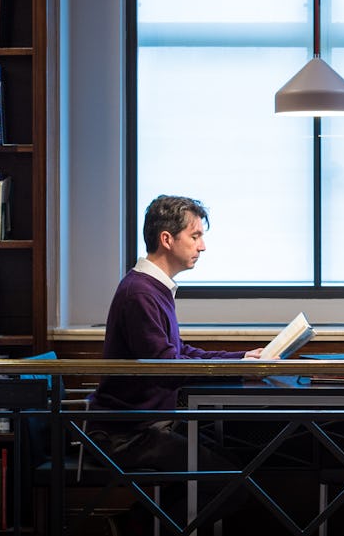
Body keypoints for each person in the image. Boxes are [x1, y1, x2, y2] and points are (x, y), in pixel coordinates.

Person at [89, 195, 259, 535]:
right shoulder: (140, 292)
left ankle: (129, 525)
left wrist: (242, 359)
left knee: (235, 461)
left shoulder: (151, 287)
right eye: (195, 236)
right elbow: (166, 364)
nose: (203, 246)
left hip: (145, 426)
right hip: (127, 434)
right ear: (167, 239)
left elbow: (178, 352)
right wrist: (236, 366)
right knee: (232, 482)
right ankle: (131, 528)